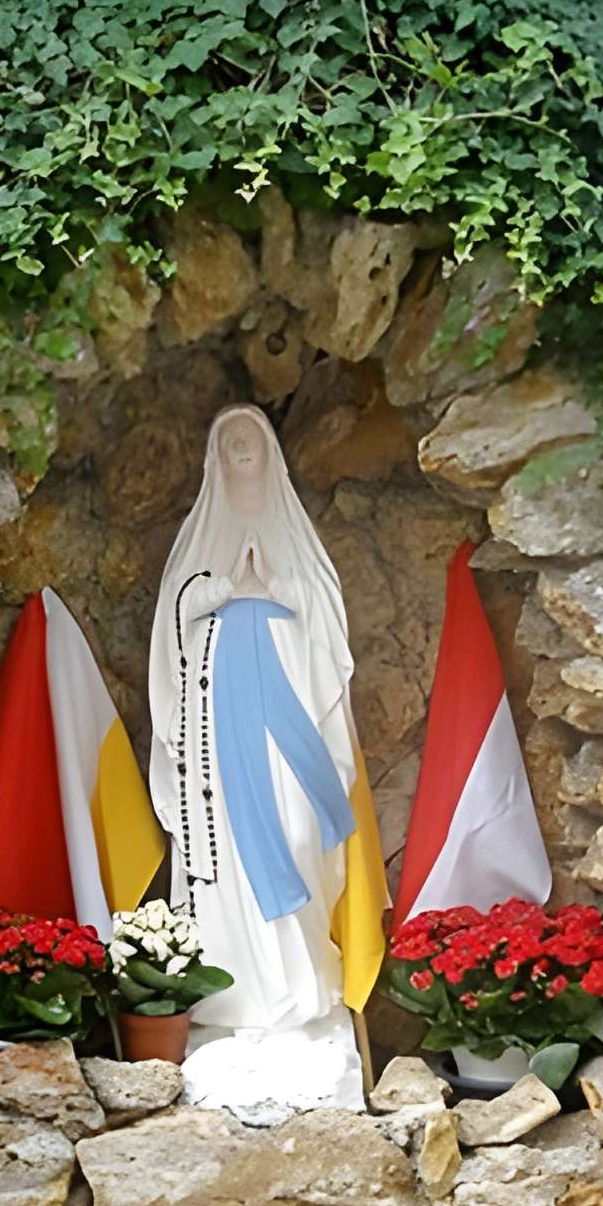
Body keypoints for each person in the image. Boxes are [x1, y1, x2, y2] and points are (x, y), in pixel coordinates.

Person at [148, 405, 386, 1120]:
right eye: (232, 446)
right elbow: (169, 632)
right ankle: (237, 999)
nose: (243, 454)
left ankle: (306, 991)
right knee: (224, 861)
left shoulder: (299, 546)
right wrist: (215, 595)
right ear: (215, 463)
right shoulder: (195, 547)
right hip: (221, 736)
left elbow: (329, 635)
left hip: (289, 728)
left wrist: (281, 590)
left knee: (296, 837)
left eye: (253, 444)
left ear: (273, 457)